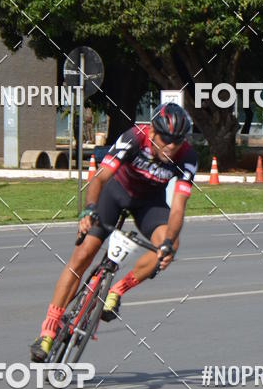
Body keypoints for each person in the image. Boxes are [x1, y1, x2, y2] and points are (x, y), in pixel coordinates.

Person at [30, 102, 198, 362]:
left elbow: (177, 208)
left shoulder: (187, 157)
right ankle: (49, 330)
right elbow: (99, 178)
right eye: (166, 139)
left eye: (177, 141)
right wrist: (89, 210)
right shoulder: (134, 138)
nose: (171, 147)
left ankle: (116, 290)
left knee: (170, 246)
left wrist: (167, 242)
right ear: (153, 132)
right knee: (83, 254)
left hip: (149, 203)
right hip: (116, 193)